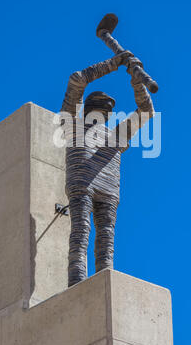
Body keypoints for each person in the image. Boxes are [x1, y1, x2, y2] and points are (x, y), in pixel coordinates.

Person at [60, 51, 155, 287]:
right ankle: (78, 283)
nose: (103, 114)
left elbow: (146, 112)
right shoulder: (73, 124)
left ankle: (102, 284)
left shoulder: (115, 136)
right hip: (83, 184)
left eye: (105, 112)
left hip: (108, 190)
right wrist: (115, 63)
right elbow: (77, 80)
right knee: (84, 233)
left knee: (102, 240)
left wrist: (137, 81)